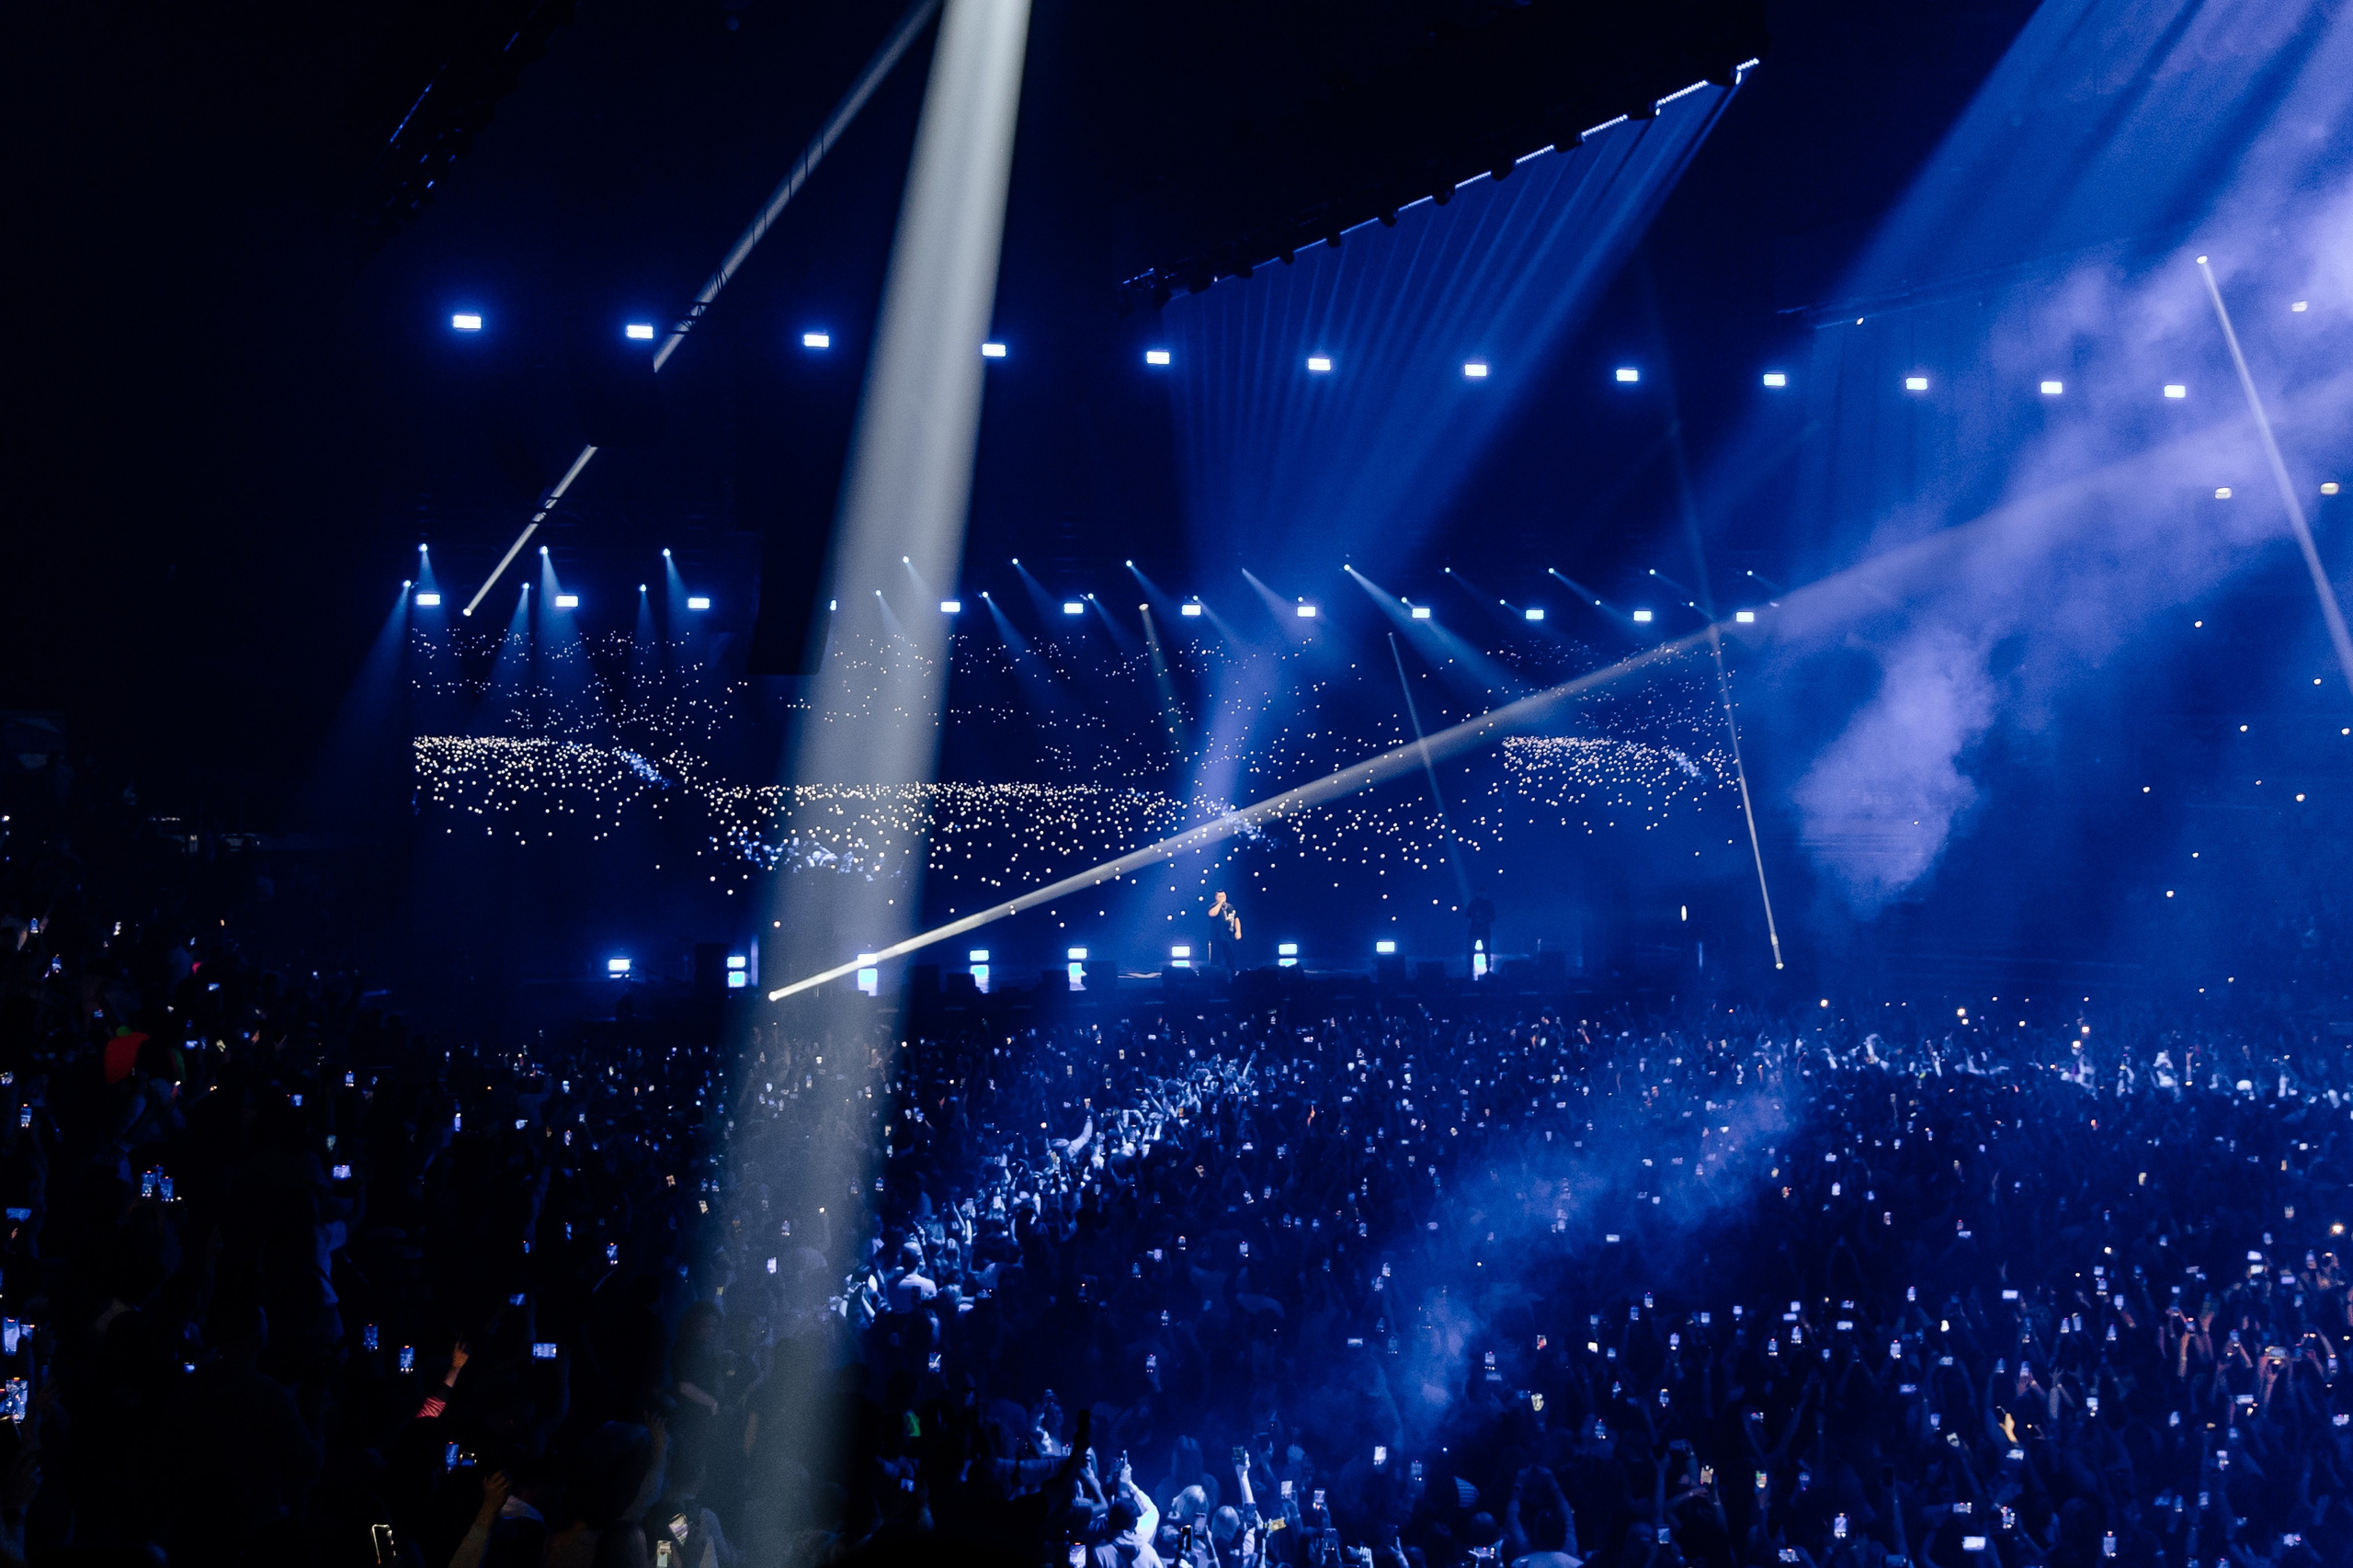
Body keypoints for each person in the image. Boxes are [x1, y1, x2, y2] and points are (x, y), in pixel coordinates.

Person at [1207, 892, 1243, 972]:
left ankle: (1232, 972)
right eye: (1219, 896)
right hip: (1216, 936)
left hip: (1228, 936)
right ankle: (1216, 973)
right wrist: (1219, 904)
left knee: (1230, 956)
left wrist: (1238, 931)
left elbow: (1236, 918)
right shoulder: (1213, 906)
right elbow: (1212, 914)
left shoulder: (1230, 907)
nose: (1222, 898)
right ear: (1216, 897)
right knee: (1217, 957)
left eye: (1223, 896)